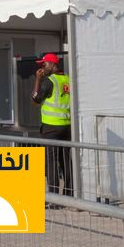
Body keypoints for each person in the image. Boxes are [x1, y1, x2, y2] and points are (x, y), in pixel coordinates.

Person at [31, 53, 72, 197]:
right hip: (66, 126)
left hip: (51, 127)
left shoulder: (49, 81)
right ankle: (69, 195)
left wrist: (38, 79)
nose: (43, 67)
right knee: (66, 161)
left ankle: (54, 197)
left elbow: (35, 99)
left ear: (52, 64)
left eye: (44, 64)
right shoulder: (67, 79)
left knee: (52, 162)